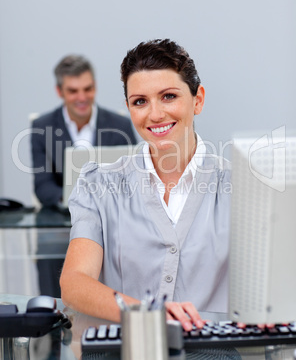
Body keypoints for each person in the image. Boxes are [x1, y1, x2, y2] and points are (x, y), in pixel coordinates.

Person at [60, 39, 231, 331]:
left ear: (197, 100)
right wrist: (149, 315)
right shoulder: (98, 185)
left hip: (211, 348)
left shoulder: (241, 186)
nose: (155, 114)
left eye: (168, 96)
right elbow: (74, 283)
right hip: (127, 348)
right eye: (140, 101)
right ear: (129, 108)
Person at [31, 54, 137, 207]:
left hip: (111, 214)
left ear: (95, 86)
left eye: (88, 89)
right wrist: (75, 200)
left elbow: (131, 180)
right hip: (65, 218)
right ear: (59, 92)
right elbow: (43, 186)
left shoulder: (121, 126)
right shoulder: (42, 127)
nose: (82, 98)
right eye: (73, 91)